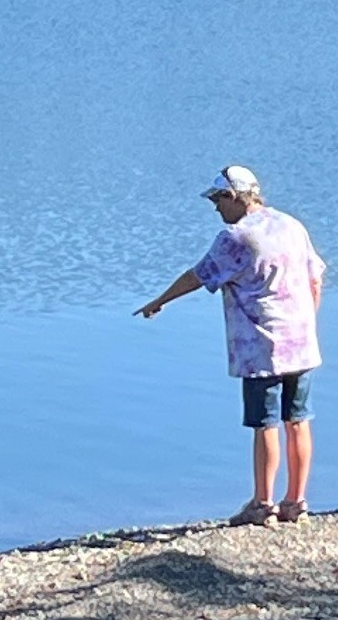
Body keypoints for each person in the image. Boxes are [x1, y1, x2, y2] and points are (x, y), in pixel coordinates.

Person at [135, 163, 324, 525]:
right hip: (301, 345)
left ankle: (262, 504)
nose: (215, 208)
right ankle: (296, 501)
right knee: (298, 420)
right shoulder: (291, 225)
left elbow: (198, 276)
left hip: (261, 348)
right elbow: (316, 277)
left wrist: (158, 301)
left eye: (218, 199)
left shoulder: (236, 237)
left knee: (265, 424)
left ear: (234, 197)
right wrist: (307, 325)